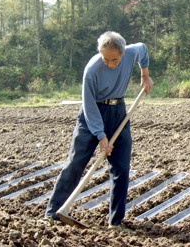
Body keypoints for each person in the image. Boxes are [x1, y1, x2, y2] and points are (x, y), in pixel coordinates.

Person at [41, 31, 154, 232]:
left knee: (121, 168)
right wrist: (101, 135)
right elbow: (89, 104)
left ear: (123, 53)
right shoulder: (92, 69)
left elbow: (143, 49)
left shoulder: (131, 52)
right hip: (93, 113)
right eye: (105, 59)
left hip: (118, 111)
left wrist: (145, 75)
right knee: (75, 163)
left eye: (115, 59)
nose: (110, 63)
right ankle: (52, 213)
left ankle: (115, 222)